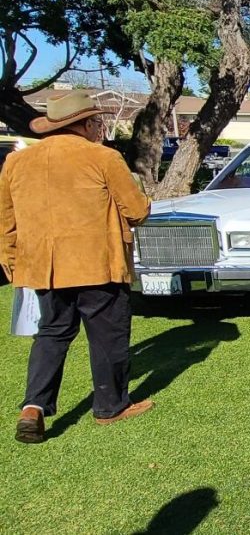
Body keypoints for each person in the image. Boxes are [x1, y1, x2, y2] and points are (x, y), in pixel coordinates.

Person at [2, 91, 152, 444]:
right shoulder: (102, 157)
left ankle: (33, 407)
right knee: (107, 336)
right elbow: (137, 211)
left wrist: (10, 260)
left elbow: (5, 220)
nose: (98, 127)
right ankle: (110, 406)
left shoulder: (16, 162)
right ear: (84, 124)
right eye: (96, 122)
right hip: (97, 263)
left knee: (52, 334)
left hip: (45, 267)